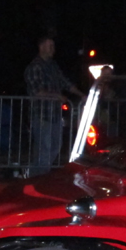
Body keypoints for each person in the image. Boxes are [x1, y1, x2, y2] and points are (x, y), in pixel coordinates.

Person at [24, 36, 85, 175]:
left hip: (55, 115)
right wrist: (56, 96)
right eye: (50, 45)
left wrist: (81, 95)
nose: (53, 49)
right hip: (41, 115)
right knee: (43, 150)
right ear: (41, 47)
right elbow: (37, 92)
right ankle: (37, 178)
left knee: (55, 147)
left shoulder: (52, 66)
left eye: (53, 46)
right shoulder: (34, 67)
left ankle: (37, 175)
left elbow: (65, 83)